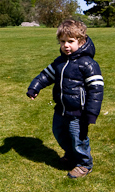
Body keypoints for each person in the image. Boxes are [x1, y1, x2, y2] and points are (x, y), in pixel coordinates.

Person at [26, 19, 104, 178]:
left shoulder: (88, 64)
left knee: (78, 138)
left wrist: (91, 113)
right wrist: (35, 87)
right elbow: (45, 75)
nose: (66, 45)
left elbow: (96, 90)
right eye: (62, 42)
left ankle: (84, 164)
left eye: (70, 41)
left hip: (78, 112)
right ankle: (71, 154)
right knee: (59, 133)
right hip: (61, 109)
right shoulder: (59, 62)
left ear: (81, 42)